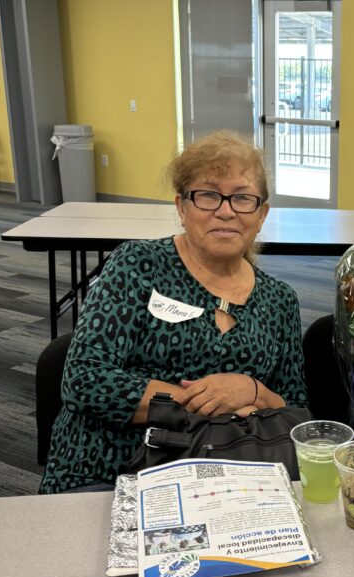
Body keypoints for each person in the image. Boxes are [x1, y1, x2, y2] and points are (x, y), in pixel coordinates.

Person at [39, 131, 308, 493]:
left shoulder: (280, 300)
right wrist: (204, 401)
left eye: (243, 198)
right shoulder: (137, 265)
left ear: (261, 215)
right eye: (209, 195)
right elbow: (85, 381)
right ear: (182, 207)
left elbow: (297, 414)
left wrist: (252, 390)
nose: (226, 210)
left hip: (231, 477)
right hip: (114, 472)